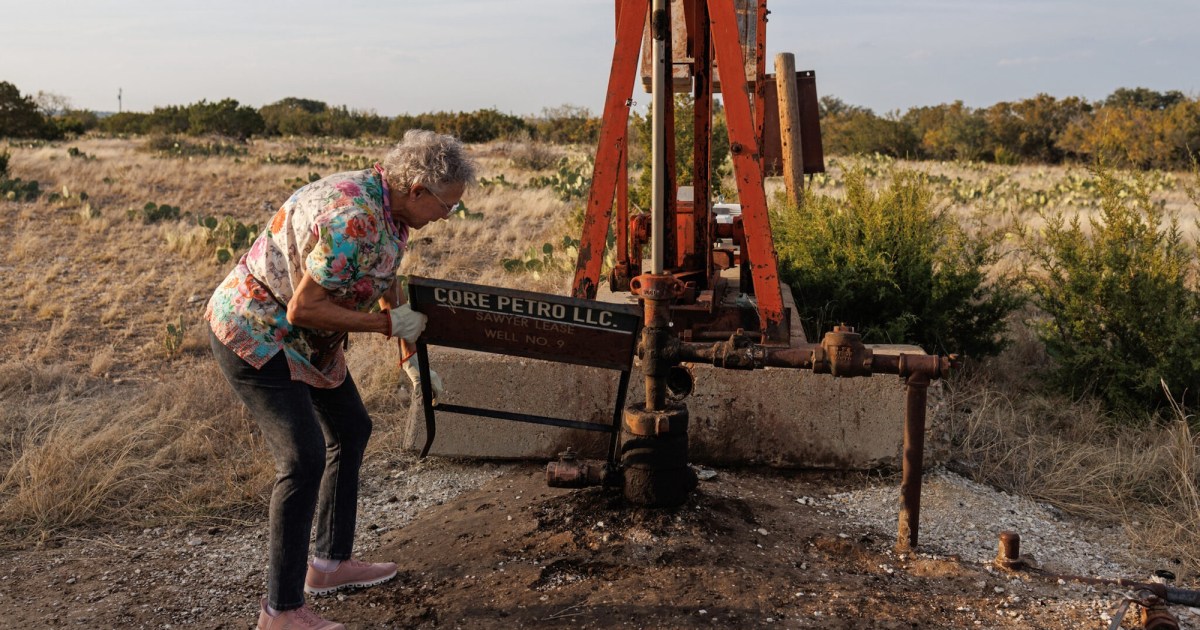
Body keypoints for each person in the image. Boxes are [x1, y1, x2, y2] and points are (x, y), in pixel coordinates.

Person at [206, 130, 476, 630]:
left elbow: (385, 275)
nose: (447, 216)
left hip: (307, 341)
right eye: (447, 205)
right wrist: (385, 325)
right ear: (416, 189)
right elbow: (304, 307)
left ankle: (329, 565)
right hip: (258, 330)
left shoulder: (392, 212)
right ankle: (280, 612)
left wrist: (409, 359)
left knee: (351, 429)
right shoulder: (355, 216)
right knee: (303, 457)